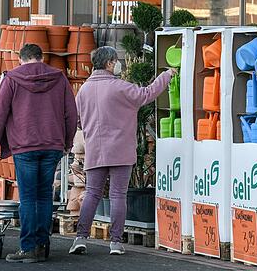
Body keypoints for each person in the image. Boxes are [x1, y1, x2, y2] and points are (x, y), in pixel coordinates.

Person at [68, 46, 176, 256]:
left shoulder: (84, 90)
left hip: (95, 150)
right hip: (120, 150)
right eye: (116, 61)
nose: (118, 64)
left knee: (92, 193)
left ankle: (80, 238)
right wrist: (166, 75)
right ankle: (116, 242)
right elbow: (147, 94)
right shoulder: (120, 87)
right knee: (118, 195)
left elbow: (78, 120)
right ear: (109, 63)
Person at [0, 43, 78, 263]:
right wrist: (66, 143)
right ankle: (42, 245)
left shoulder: (11, 79)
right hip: (52, 145)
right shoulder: (59, 78)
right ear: (41, 58)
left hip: (25, 145)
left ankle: (28, 247)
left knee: (28, 198)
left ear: (21, 59)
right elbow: (71, 113)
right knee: (44, 195)